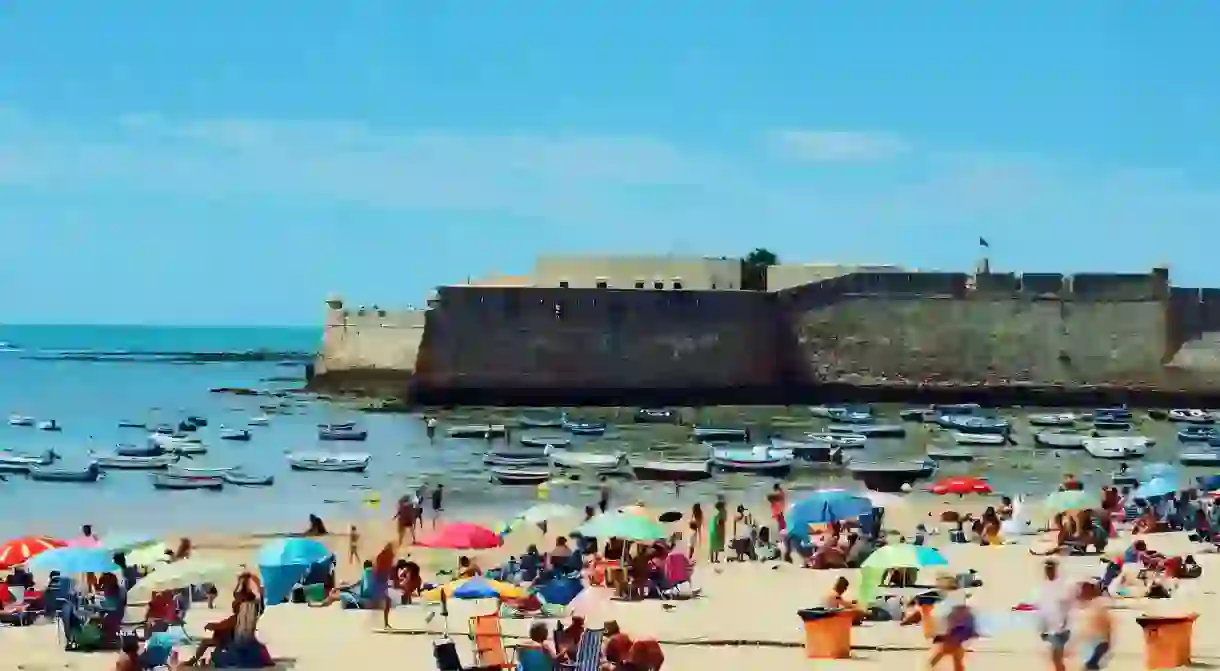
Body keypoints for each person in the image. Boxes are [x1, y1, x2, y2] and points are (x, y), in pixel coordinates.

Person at [928, 573, 975, 671]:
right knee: (956, 658)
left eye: (941, 583)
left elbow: (954, 614)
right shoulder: (954, 595)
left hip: (957, 629)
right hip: (959, 629)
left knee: (942, 654)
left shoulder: (954, 595)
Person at [1037, 559, 1073, 671]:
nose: (1048, 572)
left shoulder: (1062, 585)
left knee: (1056, 657)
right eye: (1047, 570)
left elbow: (1068, 606)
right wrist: (1042, 627)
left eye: (1050, 569)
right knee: (1056, 658)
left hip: (1061, 628)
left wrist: (1065, 624)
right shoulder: (1045, 586)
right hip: (1051, 627)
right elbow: (1043, 608)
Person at [1078, 580, 1113, 670]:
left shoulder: (1099, 604)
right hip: (1089, 645)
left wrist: (1107, 641)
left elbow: (1107, 623)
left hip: (1098, 643)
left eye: (1085, 589)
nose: (1082, 591)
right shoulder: (1085, 606)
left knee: (1091, 666)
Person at [371, 543, 395, 629]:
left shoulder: (385, 556)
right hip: (380, 580)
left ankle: (385, 623)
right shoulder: (384, 556)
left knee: (386, 602)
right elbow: (379, 569)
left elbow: (388, 569)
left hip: (382, 581)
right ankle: (384, 623)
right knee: (386, 601)